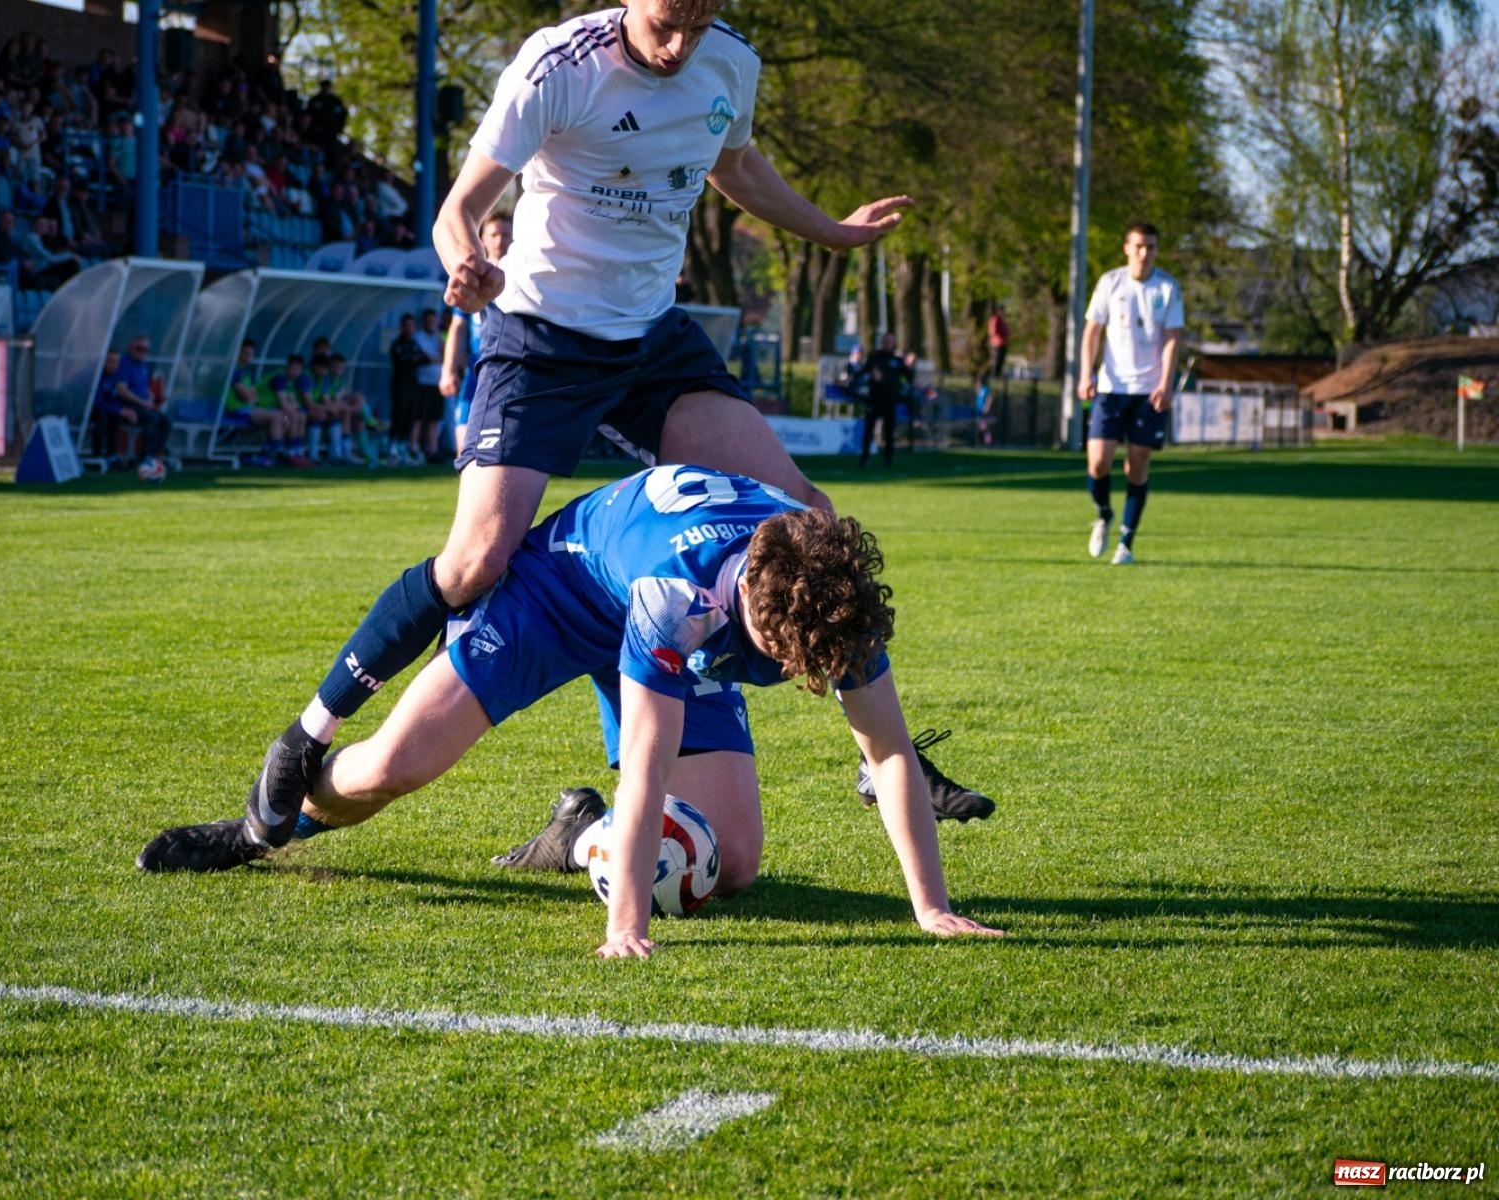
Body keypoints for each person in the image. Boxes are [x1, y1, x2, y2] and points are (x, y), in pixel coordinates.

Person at [233, 0, 985, 863]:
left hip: (652, 340)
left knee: (806, 511)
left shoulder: (730, 62)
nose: (679, 44)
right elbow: (459, 206)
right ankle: (307, 735)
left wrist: (832, 231)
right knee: (477, 558)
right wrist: (465, 266)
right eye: (669, 21)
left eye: (698, 27)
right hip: (543, 338)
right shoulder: (557, 64)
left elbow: (734, 165)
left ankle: (881, 762)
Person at [138, 466, 1004, 956]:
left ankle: (572, 833)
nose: (808, 679)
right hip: (558, 592)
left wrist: (927, 905)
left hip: (667, 601)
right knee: (391, 769)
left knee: (732, 862)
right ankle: (262, 828)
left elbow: (889, 752)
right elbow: (649, 771)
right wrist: (623, 925)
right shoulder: (681, 600)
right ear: (756, 621)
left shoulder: (832, 597)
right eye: (789, 665)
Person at [1077, 222, 1184, 566]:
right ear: (1126, 248)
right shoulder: (1110, 282)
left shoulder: (1167, 287)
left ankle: (1125, 542)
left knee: (1137, 465)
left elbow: (1171, 338)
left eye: (1150, 247)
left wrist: (1166, 383)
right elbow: (1092, 331)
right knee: (1098, 462)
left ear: (1156, 250)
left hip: (1148, 391)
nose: (1144, 253)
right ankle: (1104, 515)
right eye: (1138, 246)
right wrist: (1085, 373)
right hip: (1111, 388)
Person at [439, 212, 513, 458]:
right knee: (465, 450)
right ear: (482, 238)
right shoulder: (472, 276)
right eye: (494, 234)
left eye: (505, 234)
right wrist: (448, 369)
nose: (500, 240)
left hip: (509, 367)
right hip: (476, 367)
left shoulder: (522, 276)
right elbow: (458, 326)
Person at [223, 339, 293, 466]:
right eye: (245, 353)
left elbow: (252, 394)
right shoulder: (234, 371)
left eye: (250, 354)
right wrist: (251, 395)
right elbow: (246, 396)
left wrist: (251, 395)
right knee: (278, 417)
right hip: (236, 409)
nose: (248, 357)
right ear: (237, 353)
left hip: (248, 408)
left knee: (286, 418)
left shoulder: (246, 372)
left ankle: (266, 452)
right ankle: (273, 455)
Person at [110, 335, 172, 474]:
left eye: (145, 349)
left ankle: (157, 455)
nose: (142, 352)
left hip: (143, 405)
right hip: (129, 405)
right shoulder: (124, 364)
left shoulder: (143, 365)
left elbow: (144, 387)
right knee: (152, 419)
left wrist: (151, 399)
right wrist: (142, 402)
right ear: (130, 348)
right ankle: (145, 457)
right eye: (139, 348)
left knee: (166, 421)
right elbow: (122, 390)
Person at [854, 331, 911, 469]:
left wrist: (909, 366)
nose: (889, 343)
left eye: (891, 341)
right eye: (887, 340)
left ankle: (888, 460)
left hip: (890, 401)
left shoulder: (897, 360)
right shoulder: (874, 358)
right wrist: (850, 379)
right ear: (883, 342)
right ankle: (865, 459)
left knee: (889, 432)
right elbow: (862, 372)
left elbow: (909, 377)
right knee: (869, 432)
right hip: (874, 400)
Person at [387, 313, 430, 467]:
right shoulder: (397, 344)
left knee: (410, 417)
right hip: (400, 385)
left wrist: (414, 358)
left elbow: (425, 359)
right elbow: (404, 360)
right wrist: (414, 359)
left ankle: (403, 448)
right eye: (407, 325)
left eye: (411, 326)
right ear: (402, 327)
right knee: (398, 416)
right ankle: (392, 449)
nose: (409, 329)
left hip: (413, 385)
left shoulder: (414, 344)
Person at [411, 307, 443, 464]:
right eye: (429, 320)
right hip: (422, 383)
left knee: (434, 419)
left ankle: (433, 451)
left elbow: (445, 356)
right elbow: (427, 358)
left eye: (433, 320)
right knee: (418, 417)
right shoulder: (418, 337)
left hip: (438, 383)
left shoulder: (440, 337)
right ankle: (414, 449)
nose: (432, 323)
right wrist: (441, 359)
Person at [988, 304, 1009, 379]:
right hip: (997, 343)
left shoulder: (1001, 320)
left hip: (1003, 343)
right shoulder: (995, 319)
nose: (1003, 312)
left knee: (1001, 361)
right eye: (1002, 310)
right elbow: (993, 331)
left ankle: (998, 375)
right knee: (997, 360)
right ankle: (994, 376)